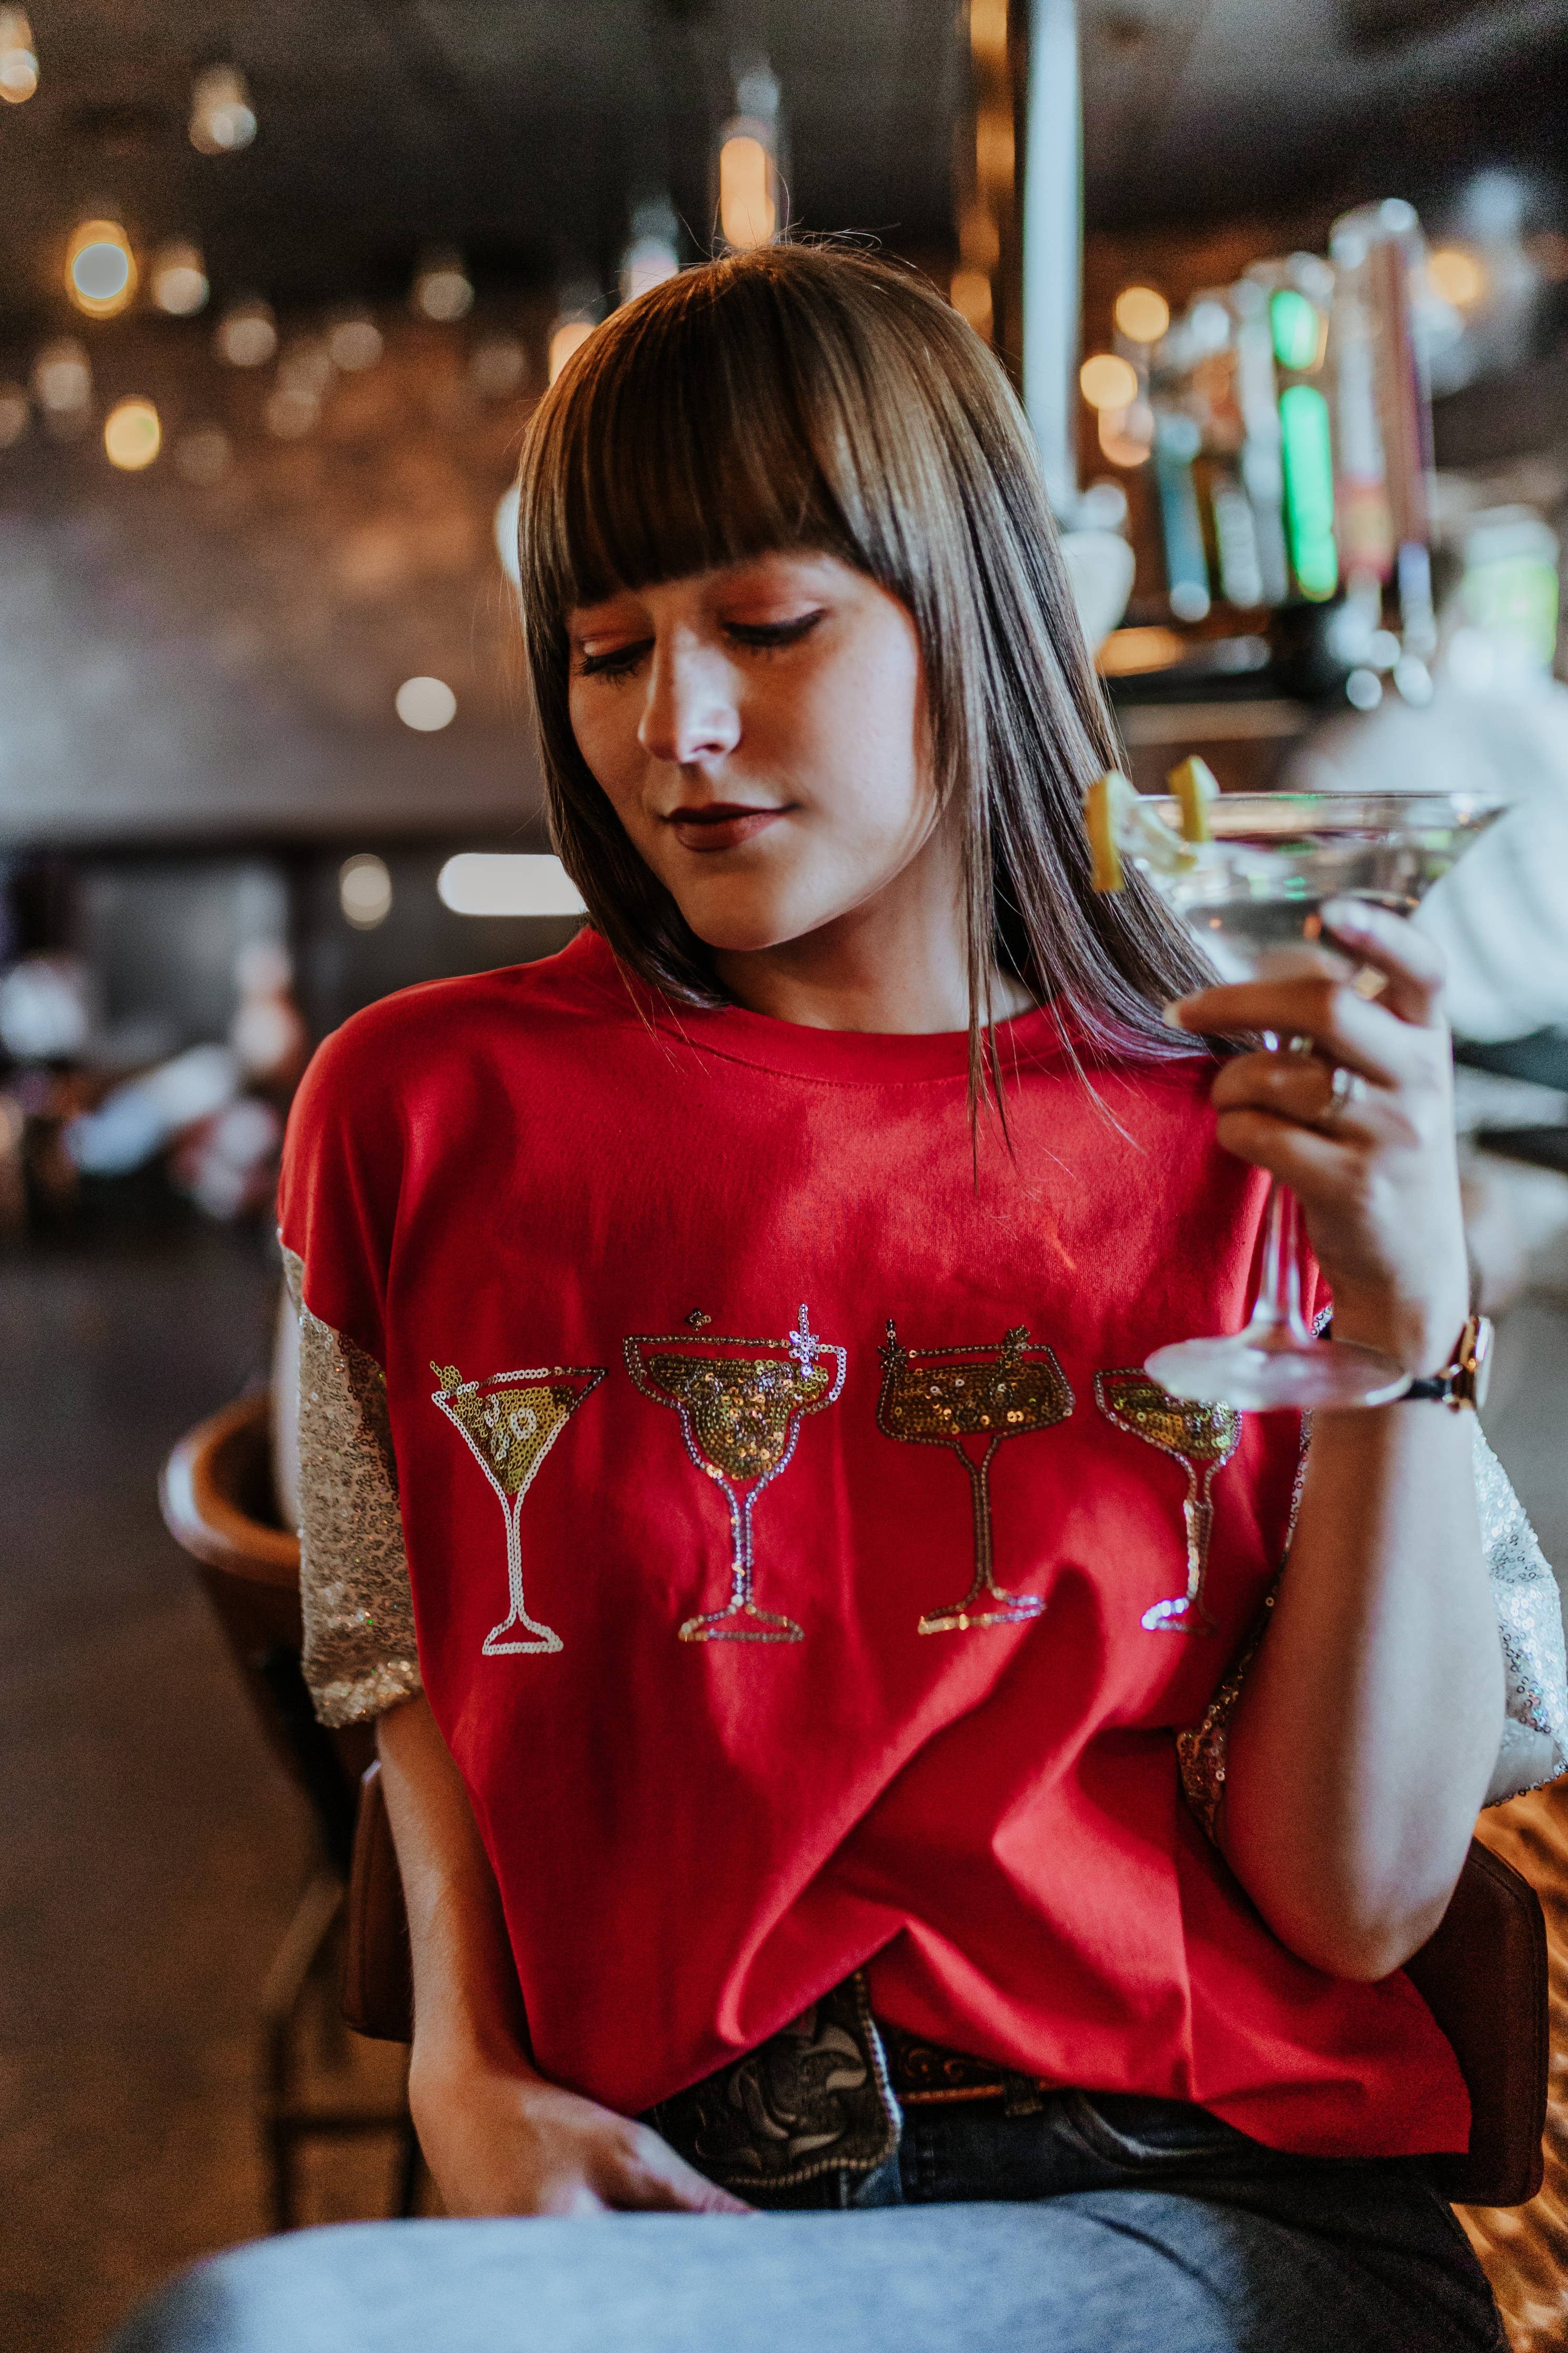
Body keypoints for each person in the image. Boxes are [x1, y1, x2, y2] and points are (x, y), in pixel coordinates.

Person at [273, 246, 1565, 2350]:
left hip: (1189, 2207)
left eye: (768, 625)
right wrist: (461, 2064)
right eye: (604, 652)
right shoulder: (424, 1109)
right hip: (670, 2201)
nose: (671, 726)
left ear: (975, 615)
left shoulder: (1242, 1122)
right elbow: (395, 1638)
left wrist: (1400, 1330)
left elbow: (1359, 1897)